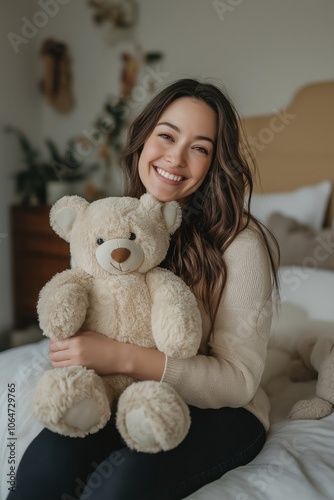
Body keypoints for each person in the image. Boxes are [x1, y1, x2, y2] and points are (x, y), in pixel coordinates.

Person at [8, 78, 279, 500]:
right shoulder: (112, 225)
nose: (176, 157)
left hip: (223, 412)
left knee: (119, 485)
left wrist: (119, 356)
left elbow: (239, 381)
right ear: (143, 137)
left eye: (200, 147)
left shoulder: (240, 243)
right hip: (123, 395)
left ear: (214, 161)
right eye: (167, 136)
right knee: (45, 467)